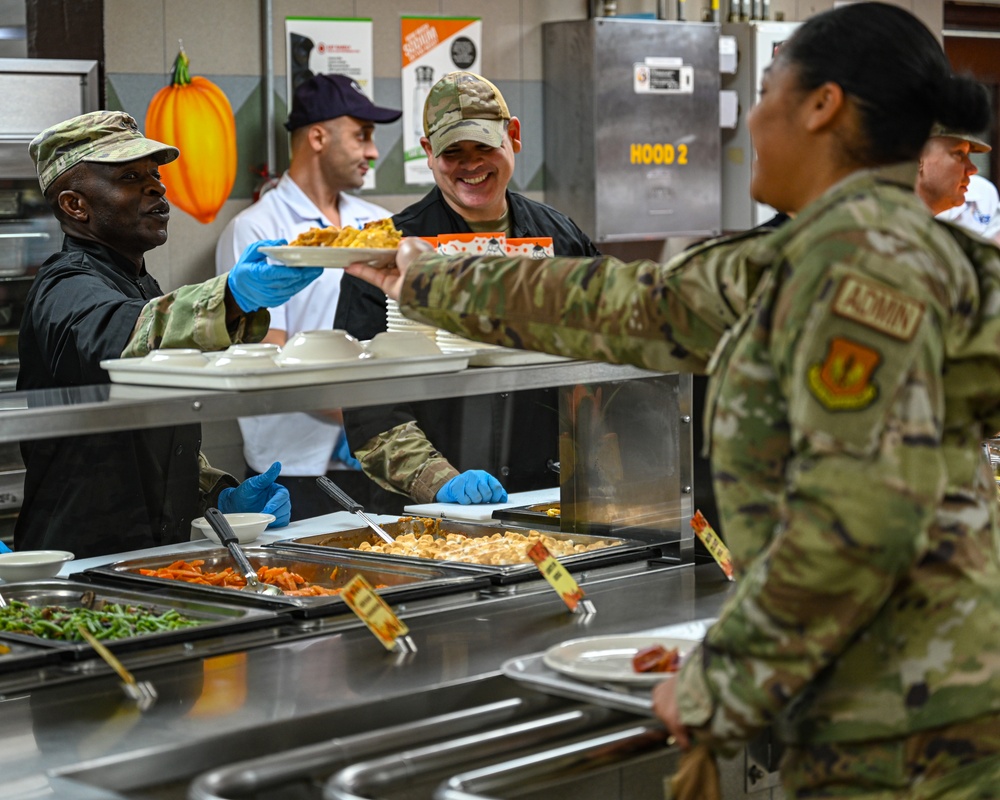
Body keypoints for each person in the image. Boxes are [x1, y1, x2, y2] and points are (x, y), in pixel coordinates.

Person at [346, 5, 1000, 795]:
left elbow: (853, 528)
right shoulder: (820, 254)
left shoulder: (858, 272)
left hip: (902, 727)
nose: (751, 118)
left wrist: (720, 683)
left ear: (822, 106)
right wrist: (426, 276)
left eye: (765, 91)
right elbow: (626, 303)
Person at [17, 110, 323, 558]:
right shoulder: (65, 286)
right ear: (75, 205)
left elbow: (147, 437)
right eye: (129, 177)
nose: (156, 187)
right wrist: (233, 296)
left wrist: (216, 495)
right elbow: (119, 338)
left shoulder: (139, 283)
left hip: (152, 555)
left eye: (154, 174)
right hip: (82, 563)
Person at [335, 71, 600, 511]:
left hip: (551, 496)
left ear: (513, 135)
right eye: (453, 153)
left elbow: (605, 367)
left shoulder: (563, 240)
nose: (471, 165)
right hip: (432, 514)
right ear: (428, 153)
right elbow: (367, 405)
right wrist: (439, 482)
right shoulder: (386, 252)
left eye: (484, 147)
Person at [216, 74, 402, 520]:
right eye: (362, 135)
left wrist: (379, 426)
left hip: (380, 453)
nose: (373, 152)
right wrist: (361, 419)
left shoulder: (376, 224)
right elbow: (269, 354)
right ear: (318, 136)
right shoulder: (259, 230)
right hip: (295, 470)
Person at [915, 124, 1000, 241]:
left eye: (967, 154)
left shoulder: (984, 193)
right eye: (959, 154)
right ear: (918, 158)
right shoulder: (887, 217)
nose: (972, 169)